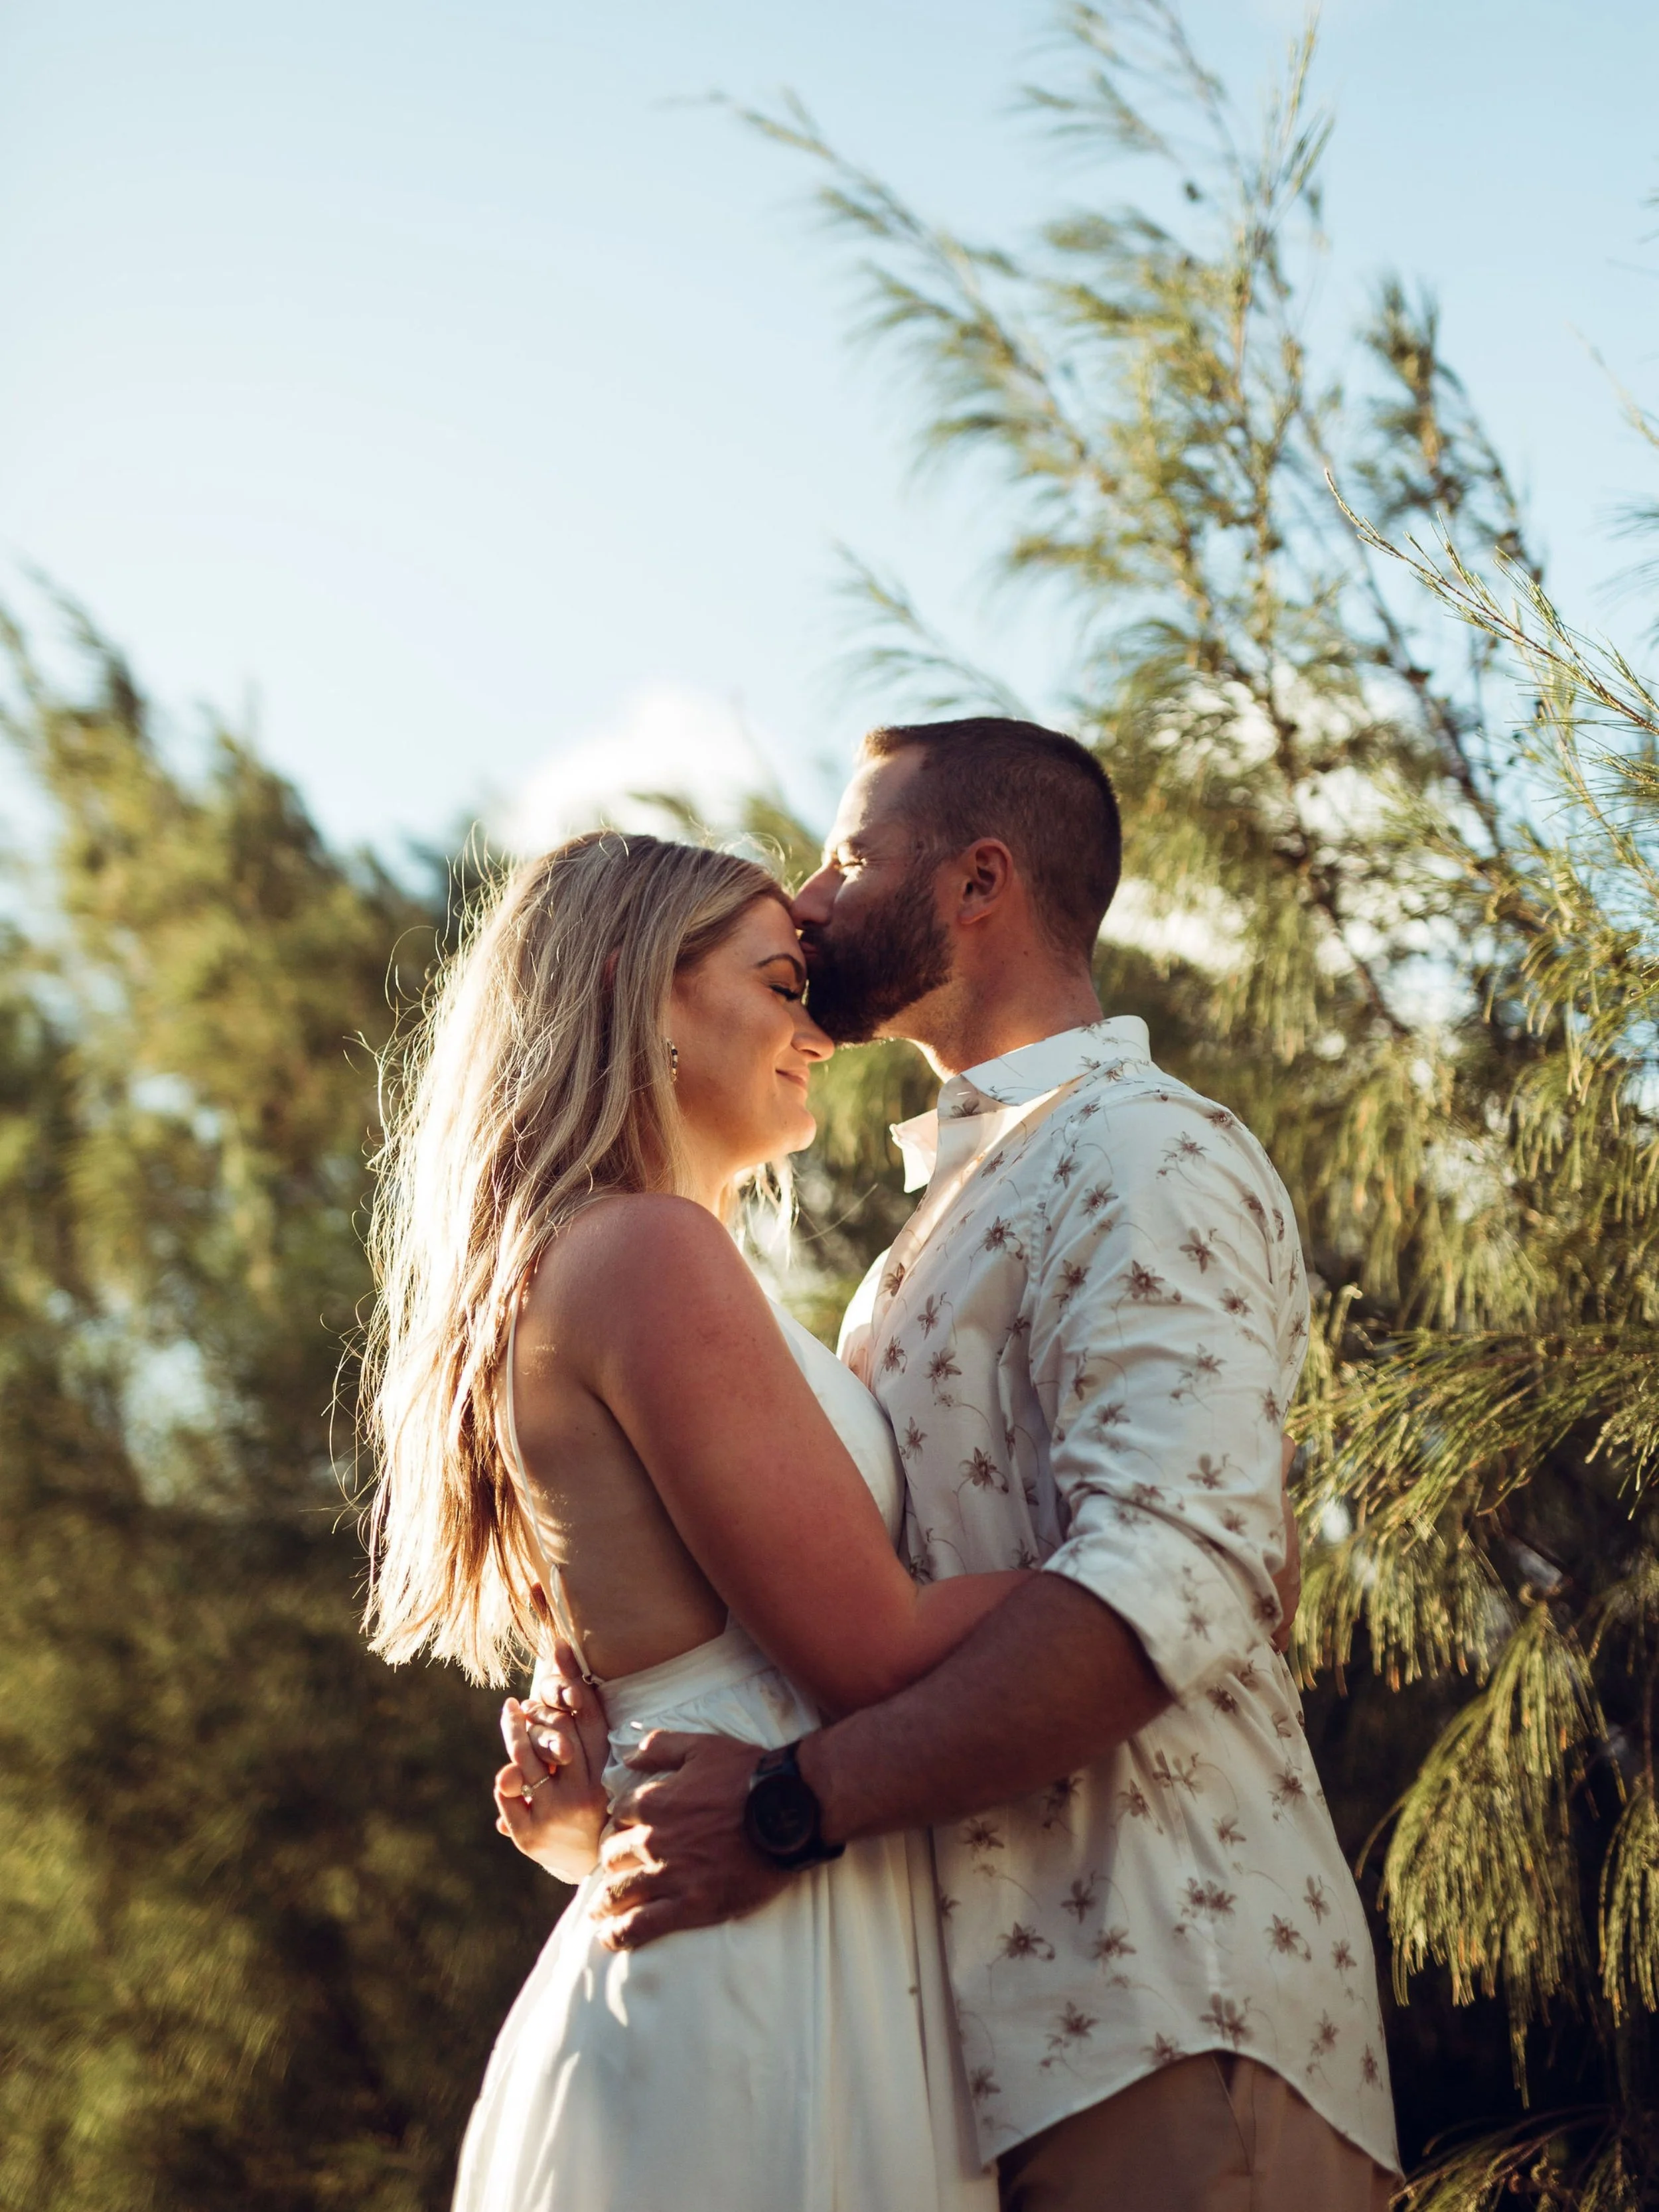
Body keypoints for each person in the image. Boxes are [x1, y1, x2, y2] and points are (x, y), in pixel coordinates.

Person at [529, 721, 1403, 2211]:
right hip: (965, 2049)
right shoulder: (918, 1245)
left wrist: (783, 1803)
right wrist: (622, 1772)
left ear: (977, 881)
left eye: (851, 856)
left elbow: (1172, 1576)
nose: (810, 901)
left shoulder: (1139, 1151)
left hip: (1163, 2006)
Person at [362, 828, 1019, 2211]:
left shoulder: (585, 1265)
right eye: (781, 983)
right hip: (763, 1985)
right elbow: (875, 1657)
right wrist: (1150, 1570)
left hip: (749, 1944)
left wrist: (590, 1827)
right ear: (639, 987)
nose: (818, 1032)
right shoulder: (645, 1253)